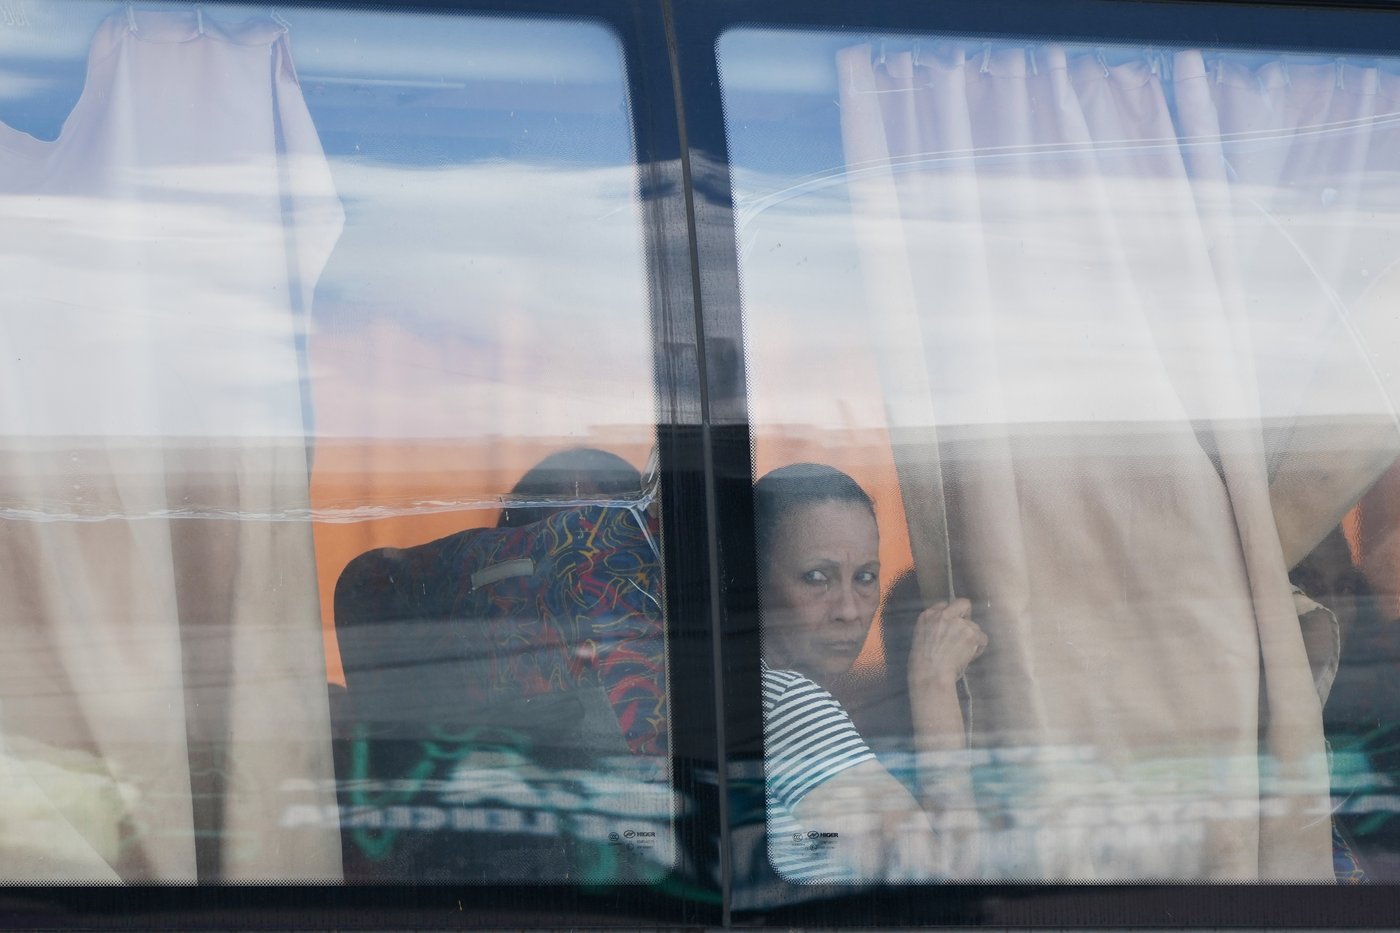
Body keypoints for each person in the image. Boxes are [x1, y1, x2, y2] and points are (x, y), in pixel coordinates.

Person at [755, 463, 987, 882]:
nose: (849, 610)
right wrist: (933, 684)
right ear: (755, 582)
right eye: (816, 578)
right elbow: (947, 874)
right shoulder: (783, 701)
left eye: (864, 577)